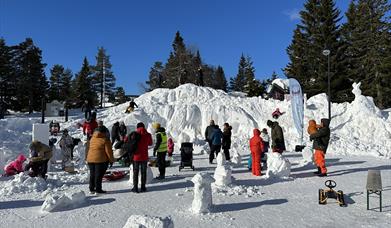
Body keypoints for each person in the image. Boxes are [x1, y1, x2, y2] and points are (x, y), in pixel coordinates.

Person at [86, 126, 114, 194]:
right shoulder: (105, 139)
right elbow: (109, 151)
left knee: (92, 174)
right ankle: (98, 189)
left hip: (90, 159)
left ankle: (91, 188)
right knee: (98, 175)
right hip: (100, 160)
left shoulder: (92, 138)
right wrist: (111, 160)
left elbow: (88, 148)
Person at [132, 122, 153, 193]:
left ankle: (135, 188)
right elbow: (150, 143)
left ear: (137, 127)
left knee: (135, 172)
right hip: (144, 156)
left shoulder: (134, 134)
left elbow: (127, 141)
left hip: (136, 157)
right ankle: (143, 187)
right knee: (143, 172)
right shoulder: (148, 134)